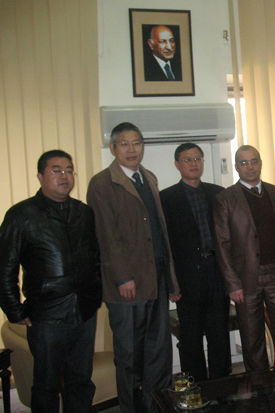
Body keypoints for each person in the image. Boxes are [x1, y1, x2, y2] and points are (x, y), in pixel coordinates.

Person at [0, 150, 102, 413]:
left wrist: (95, 295)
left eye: (69, 170)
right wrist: (15, 310)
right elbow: (4, 267)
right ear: (40, 176)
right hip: (47, 317)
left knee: (81, 382)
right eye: (56, 170)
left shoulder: (84, 213)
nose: (64, 176)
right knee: (46, 386)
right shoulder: (22, 215)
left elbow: (95, 258)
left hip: (84, 312)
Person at [87, 122, 180, 413]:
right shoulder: (102, 183)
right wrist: (122, 277)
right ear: (113, 147)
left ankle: (156, 405)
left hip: (156, 277)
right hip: (127, 284)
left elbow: (161, 232)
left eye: (136, 143)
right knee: (129, 355)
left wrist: (172, 281)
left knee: (158, 351)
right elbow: (105, 235)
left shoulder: (148, 177)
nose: (132, 149)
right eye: (124, 144)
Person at [213, 145, 275, 371]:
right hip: (245, 279)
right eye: (244, 163)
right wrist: (232, 283)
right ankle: (261, 386)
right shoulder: (225, 198)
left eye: (254, 161)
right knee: (252, 339)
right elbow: (222, 245)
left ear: (260, 163)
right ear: (236, 167)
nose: (249, 167)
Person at [160, 143, 231, 381]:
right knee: (190, 338)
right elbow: (164, 245)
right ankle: (196, 387)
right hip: (186, 277)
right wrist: (171, 282)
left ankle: (222, 385)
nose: (193, 164)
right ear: (177, 164)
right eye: (187, 159)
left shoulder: (218, 193)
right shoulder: (166, 198)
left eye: (197, 159)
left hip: (217, 272)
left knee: (219, 334)